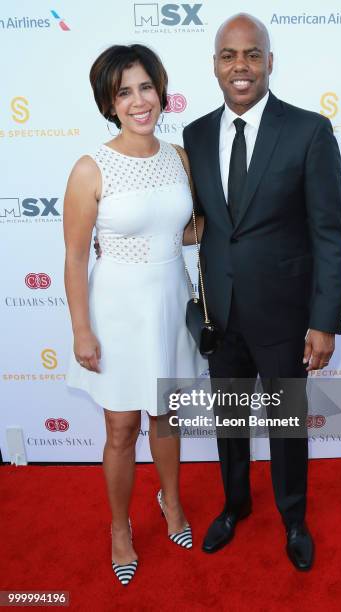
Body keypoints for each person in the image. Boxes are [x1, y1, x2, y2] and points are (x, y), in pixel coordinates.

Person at [182, 14, 341, 570]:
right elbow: (205, 220)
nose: (241, 67)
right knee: (229, 424)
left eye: (252, 54)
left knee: (285, 429)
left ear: (270, 61)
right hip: (221, 315)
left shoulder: (308, 131)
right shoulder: (197, 134)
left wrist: (323, 321)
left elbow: (330, 232)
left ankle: (294, 518)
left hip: (283, 317)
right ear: (214, 65)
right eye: (229, 55)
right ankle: (234, 506)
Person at [63, 43, 206, 586]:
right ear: (110, 102)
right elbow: (76, 256)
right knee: (121, 426)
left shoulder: (179, 156)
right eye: (125, 92)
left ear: (161, 91)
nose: (139, 101)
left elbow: (190, 229)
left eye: (146, 87)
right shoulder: (89, 168)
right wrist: (82, 330)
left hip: (168, 299)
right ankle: (120, 528)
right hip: (116, 309)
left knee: (165, 416)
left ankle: (171, 502)